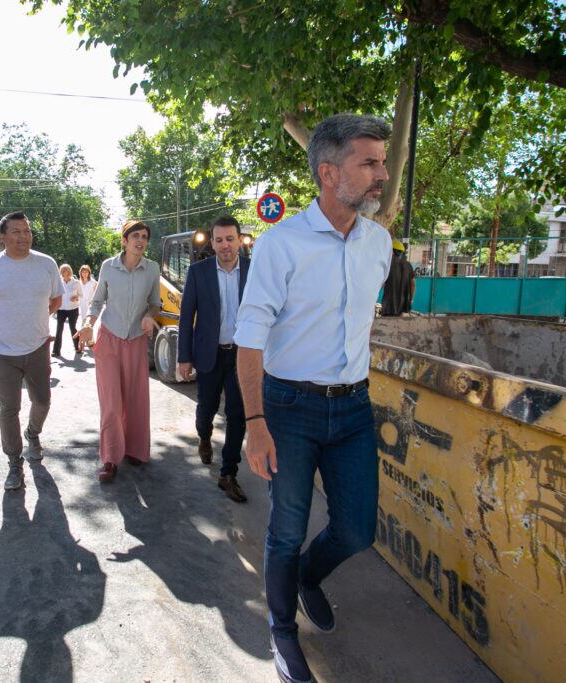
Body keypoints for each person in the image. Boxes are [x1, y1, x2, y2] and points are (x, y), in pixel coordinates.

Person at [234, 114, 392, 683]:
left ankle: (306, 576)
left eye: (382, 161)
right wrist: (255, 421)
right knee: (285, 528)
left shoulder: (380, 243)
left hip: (352, 408)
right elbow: (250, 335)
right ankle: (281, 629)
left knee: (356, 530)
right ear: (329, 172)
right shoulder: (283, 244)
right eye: (368, 163)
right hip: (288, 409)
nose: (382, 173)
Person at [0, 211, 63, 492]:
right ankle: (14, 462)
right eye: (16, 231)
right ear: (3, 237)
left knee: (42, 401)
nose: (24, 236)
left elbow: (57, 298)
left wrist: (36, 320)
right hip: (2, 351)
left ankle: (32, 434)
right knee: (8, 408)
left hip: (37, 347)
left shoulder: (46, 264)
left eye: (27, 231)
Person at [76, 220, 161, 483]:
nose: (140, 240)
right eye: (135, 236)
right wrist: (88, 324)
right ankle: (111, 457)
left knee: (137, 398)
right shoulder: (108, 267)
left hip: (136, 340)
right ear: (124, 240)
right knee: (111, 401)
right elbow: (97, 301)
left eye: (144, 237)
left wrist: (149, 316)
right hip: (109, 340)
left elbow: (155, 303)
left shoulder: (152, 269)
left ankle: (135, 449)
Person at [177, 215, 251, 503]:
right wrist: (184, 357)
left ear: (239, 239)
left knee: (237, 414)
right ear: (213, 242)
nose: (224, 245)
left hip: (243, 356)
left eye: (229, 239)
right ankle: (205, 436)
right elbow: (186, 319)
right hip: (208, 354)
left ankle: (228, 473)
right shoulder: (199, 272)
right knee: (206, 408)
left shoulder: (254, 270)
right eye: (218, 240)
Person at [53, 263, 82, 359]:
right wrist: (53, 308)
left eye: (66, 270)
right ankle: (56, 351)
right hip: (61, 309)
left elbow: (81, 295)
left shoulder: (76, 282)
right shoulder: (58, 282)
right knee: (59, 329)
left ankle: (78, 347)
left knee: (73, 328)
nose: (65, 272)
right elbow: (55, 295)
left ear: (69, 271)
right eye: (62, 271)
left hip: (73, 309)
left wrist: (76, 297)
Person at [380, 240, 415, 316]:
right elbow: (413, 285)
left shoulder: (387, 266)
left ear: (391, 252)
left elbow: (381, 284)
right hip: (404, 307)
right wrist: (411, 300)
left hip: (388, 308)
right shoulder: (408, 266)